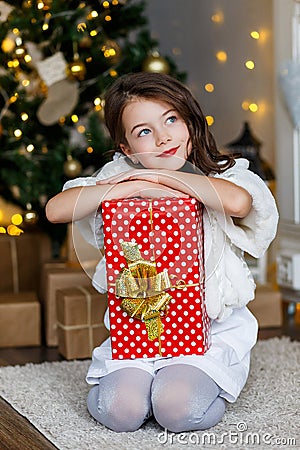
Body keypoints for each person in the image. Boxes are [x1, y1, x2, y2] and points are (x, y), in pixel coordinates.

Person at [46, 72, 279, 433]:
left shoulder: (224, 173)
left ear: (188, 119)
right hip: (137, 329)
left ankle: (197, 384)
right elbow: (56, 210)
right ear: (127, 149)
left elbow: (236, 202)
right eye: (143, 132)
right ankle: (142, 386)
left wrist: (157, 179)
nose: (162, 137)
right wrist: (134, 182)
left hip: (209, 332)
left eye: (171, 119)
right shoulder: (120, 174)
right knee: (120, 413)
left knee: (176, 410)